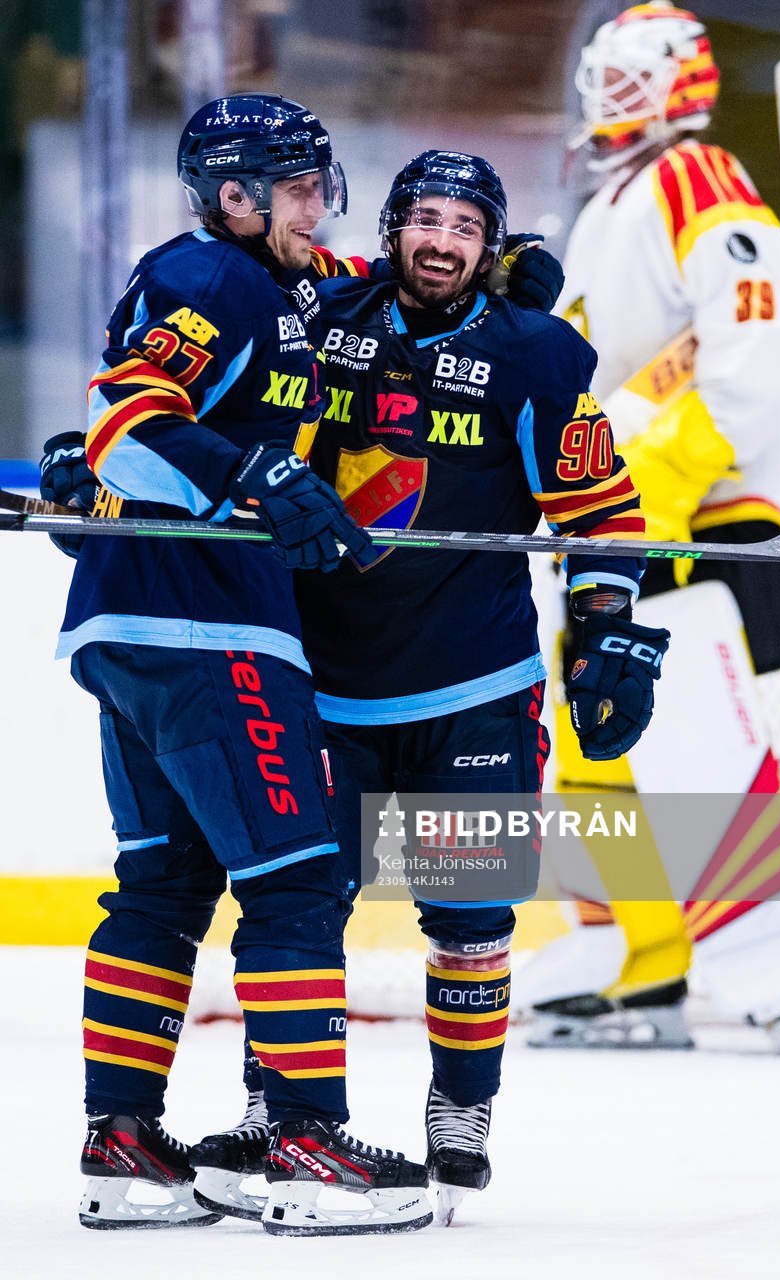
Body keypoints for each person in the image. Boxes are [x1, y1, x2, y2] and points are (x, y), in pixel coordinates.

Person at [182, 148, 666, 1226]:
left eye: (465, 225)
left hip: (473, 685)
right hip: (318, 679)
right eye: (425, 219)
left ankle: (461, 1110)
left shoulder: (536, 354)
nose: (441, 241)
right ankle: (285, 1111)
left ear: (489, 245)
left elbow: (602, 511)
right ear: (394, 225)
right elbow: (235, 311)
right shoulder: (325, 311)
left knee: (468, 915)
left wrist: (606, 629)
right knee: (300, 911)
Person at [49, 92, 445, 1237]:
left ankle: (122, 1144)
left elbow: (369, 277)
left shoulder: (280, 282)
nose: (321, 207)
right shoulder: (209, 275)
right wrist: (255, 480)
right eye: (303, 187)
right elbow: (127, 419)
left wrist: (498, 267)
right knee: (290, 884)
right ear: (238, 196)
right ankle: (309, 1147)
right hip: (212, 628)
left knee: (162, 891)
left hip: (131, 628)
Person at [518, 2, 780, 1051]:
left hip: (707, 505)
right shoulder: (615, 198)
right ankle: (636, 946)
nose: (603, 96)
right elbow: (584, 358)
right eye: (600, 76)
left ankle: (768, 943)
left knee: (687, 718)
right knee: (597, 725)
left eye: (626, 78)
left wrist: (661, 466)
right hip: (626, 517)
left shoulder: (697, 175)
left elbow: (761, 335)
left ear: (679, 83)